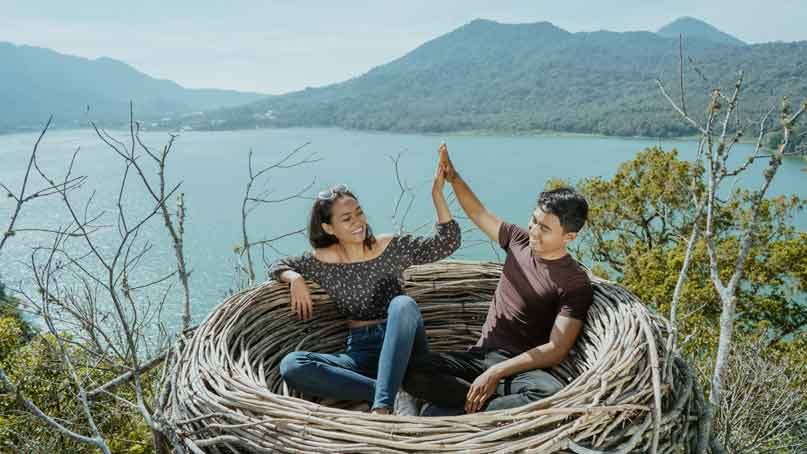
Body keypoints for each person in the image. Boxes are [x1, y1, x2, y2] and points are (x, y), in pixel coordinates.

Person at [403, 144, 592, 415]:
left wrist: (497, 372)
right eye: (534, 220)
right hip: (479, 356)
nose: (534, 231)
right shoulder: (517, 240)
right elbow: (478, 213)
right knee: (412, 370)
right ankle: (484, 409)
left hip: (522, 368)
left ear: (569, 237)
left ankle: (461, 412)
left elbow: (557, 349)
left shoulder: (574, 283)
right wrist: (453, 178)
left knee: (548, 394)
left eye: (545, 228)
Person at [269, 156, 459, 415]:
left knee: (402, 304)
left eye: (359, 212)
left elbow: (447, 242)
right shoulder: (322, 261)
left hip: (407, 349)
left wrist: (437, 192)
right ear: (328, 227)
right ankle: (394, 393)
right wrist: (294, 278)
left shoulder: (388, 247)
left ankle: (382, 406)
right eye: (346, 218)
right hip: (361, 352)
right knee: (293, 365)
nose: (358, 222)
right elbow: (277, 264)